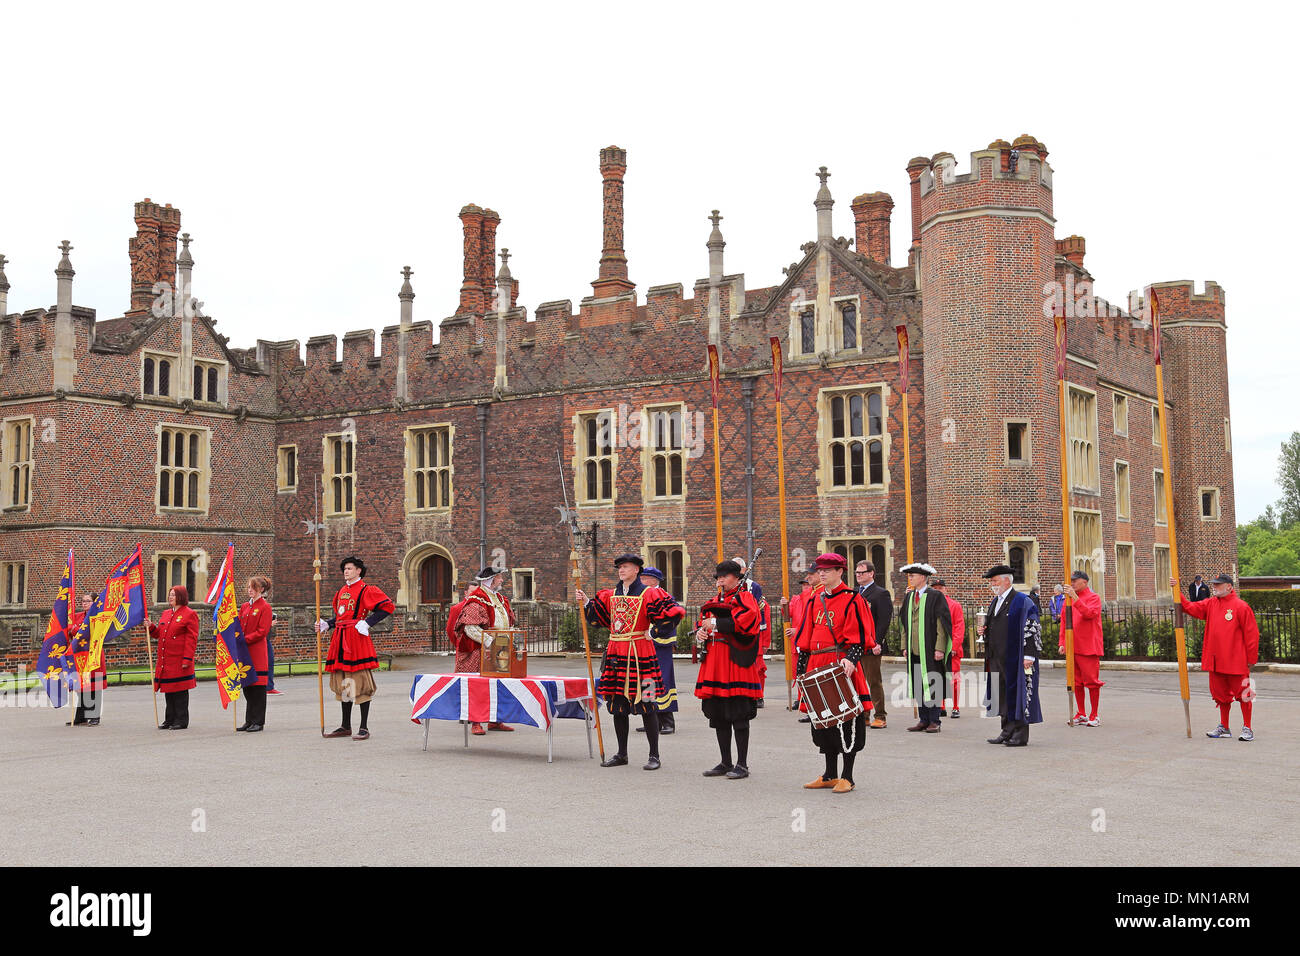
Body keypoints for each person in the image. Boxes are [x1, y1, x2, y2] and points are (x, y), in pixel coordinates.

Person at [577, 553, 684, 770]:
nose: (621, 570)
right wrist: (587, 601)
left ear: (636, 570)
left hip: (642, 656)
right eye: (619, 567)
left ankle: (654, 755)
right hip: (616, 655)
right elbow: (600, 618)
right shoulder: (611, 594)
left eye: (625, 567)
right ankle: (621, 753)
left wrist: (653, 631)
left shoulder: (649, 593)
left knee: (648, 704)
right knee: (617, 706)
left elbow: (673, 614)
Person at [794, 553, 875, 793]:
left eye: (828, 570)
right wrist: (801, 669)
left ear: (840, 572)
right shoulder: (814, 600)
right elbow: (806, 637)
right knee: (823, 722)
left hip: (840, 664)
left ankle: (847, 776)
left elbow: (860, 634)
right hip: (817, 663)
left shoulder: (852, 599)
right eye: (820, 570)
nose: (822, 573)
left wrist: (852, 658)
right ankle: (829, 773)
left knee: (846, 720)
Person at [694, 560, 764, 779]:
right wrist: (700, 633)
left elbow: (748, 622)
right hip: (715, 662)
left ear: (736, 577)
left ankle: (742, 764)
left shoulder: (745, 598)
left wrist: (715, 624)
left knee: (738, 713)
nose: (720, 580)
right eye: (718, 577)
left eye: (724, 576)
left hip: (735, 663)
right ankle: (725, 761)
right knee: (719, 714)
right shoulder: (713, 601)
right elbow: (702, 623)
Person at [315, 555, 395, 741]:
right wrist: (328, 624)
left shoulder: (367, 589)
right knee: (344, 682)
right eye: (345, 569)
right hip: (341, 637)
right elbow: (341, 616)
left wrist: (368, 622)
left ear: (359, 570)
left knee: (360, 681)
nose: (346, 571)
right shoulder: (342, 590)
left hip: (356, 639)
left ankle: (364, 726)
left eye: (350, 568)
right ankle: (345, 725)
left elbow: (387, 607)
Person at [1175, 574, 1260, 740]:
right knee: (1220, 696)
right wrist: (1176, 589)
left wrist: (1251, 659)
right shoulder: (1211, 603)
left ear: (1229, 586)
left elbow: (1252, 635)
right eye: (1214, 584)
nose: (1214, 587)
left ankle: (1247, 728)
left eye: (1218, 585)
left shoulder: (1241, 607)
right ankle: (1224, 727)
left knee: (1244, 694)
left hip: (1236, 660)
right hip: (1215, 660)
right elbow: (1189, 608)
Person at [979, 565, 1043, 747]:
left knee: (1018, 693)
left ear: (1007, 580)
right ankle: (1006, 730)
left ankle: (1020, 734)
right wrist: (983, 631)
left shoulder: (1022, 601)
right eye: (991, 581)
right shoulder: (995, 601)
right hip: (997, 656)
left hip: (1016, 657)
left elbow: (1032, 627)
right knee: (1001, 694)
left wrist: (1029, 655)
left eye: (995, 580)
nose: (992, 584)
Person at [453, 566, 518, 734]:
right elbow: (471, 629)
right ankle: (476, 722)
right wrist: (492, 643)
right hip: (479, 650)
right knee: (478, 686)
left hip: (500, 648)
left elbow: (508, 623)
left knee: (499, 685)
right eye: (499, 577)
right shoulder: (476, 599)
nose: (502, 580)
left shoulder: (501, 599)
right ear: (491, 580)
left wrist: (508, 641)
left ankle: (495, 720)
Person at [897, 562, 951, 732]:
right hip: (914, 649)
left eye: (912, 575)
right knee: (919, 684)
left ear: (922, 577)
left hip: (930, 648)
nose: (910, 578)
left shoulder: (935, 596)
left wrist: (940, 648)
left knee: (932, 683)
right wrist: (905, 645)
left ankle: (935, 721)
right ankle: (923, 719)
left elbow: (941, 624)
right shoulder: (910, 596)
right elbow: (904, 623)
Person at [150, 585, 199, 730]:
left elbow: (192, 638)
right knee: (169, 691)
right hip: (167, 660)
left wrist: (187, 659)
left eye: (173, 595)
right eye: (170, 594)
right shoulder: (166, 613)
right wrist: (151, 626)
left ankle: (181, 720)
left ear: (181, 597)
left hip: (180, 659)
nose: (170, 597)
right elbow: (160, 634)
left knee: (180, 691)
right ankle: (169, 719)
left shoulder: (189, 614)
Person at [639, 566, 681, 734]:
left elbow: (672, 619)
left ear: (653, 580)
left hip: (660, 645)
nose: (641, 581)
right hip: (645, 645)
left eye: (644, 578)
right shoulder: (642, 596)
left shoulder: (665, 597)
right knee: (647, 681)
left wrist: (653, 633)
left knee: (663, 681)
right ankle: (651, 719)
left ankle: (667, 721)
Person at [1060, 570, 1103, 726]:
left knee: (1091, 681)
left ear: (1084, 582)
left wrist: (1075, 597)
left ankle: (1094, 714)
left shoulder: (1094, 597)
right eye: (1070, 581)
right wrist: (1062, 642)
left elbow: (1089, 614)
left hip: (1088, 646)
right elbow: (1064, 622)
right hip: (1073, 646)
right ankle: (1081, 712)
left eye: (1075, 581)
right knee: (1076, 682)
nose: (1071, 583)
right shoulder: (1067, 600)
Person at [854, 560, 893, 729]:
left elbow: (883, 621)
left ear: (871, 573)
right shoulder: (854, 592)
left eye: (862, 572)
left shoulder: (880, 593)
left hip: (871, 645)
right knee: (859, 682)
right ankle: (864, 714)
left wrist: (877, 642)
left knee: (874, 681)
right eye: (857, 572)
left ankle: (880, 715)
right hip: (856, 644)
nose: (858, 575)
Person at [733, 556, 770, 708]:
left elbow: (760, 611)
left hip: (753, 631)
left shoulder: (754, 586)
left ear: (743, 570)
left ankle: (758, 695)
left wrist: (763, 636)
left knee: (757, 666)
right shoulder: (727, 586)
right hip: (735, 630)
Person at [237, 576, 272, 732]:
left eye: (253, 587)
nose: (250, 590)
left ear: (261, 589)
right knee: (247, 687)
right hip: (244, 652)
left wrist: (245, 639)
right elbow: (238, 624)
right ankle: (249, 720)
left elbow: (262, 631)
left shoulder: (265, 607)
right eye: (249, 587)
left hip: (257, 652)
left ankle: (258, 721)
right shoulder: (244, 606)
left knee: (257, 689)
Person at [780, 574, 816, 723]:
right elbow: (788, 615)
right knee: (798, 673)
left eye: (808, 584)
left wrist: (797, 630)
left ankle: (808, 702)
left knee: (808, 674)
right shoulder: (797, 599)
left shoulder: (815, 598)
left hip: (808, 641)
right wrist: (784, 605)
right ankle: (800, 699)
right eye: (803, 585)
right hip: (796, 643)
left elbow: (810, 621)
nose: (805, 587)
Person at [67, 593, 105, 726]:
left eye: (88, 601)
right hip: (79, 656)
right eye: (83, 601)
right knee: (82, 687)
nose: (84, 603)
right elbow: (69, 629)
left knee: (94, 686)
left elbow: (89, 633)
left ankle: (94, 715)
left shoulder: (98, 617)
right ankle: (81, 715)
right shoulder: (77, 617)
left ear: (94, 603)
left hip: (93, 654)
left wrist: (75, 630)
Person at [932, 579, 964, 718]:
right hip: (936, 647)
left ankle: (956, 706)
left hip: (952, 648)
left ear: (945, 589)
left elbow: (959, 626)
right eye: (935, 588)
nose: (938, 590)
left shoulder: (954, 605)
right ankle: (942, 705)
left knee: (954, 679)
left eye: (941, 588)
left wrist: (955, 646)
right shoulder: (930, 605)